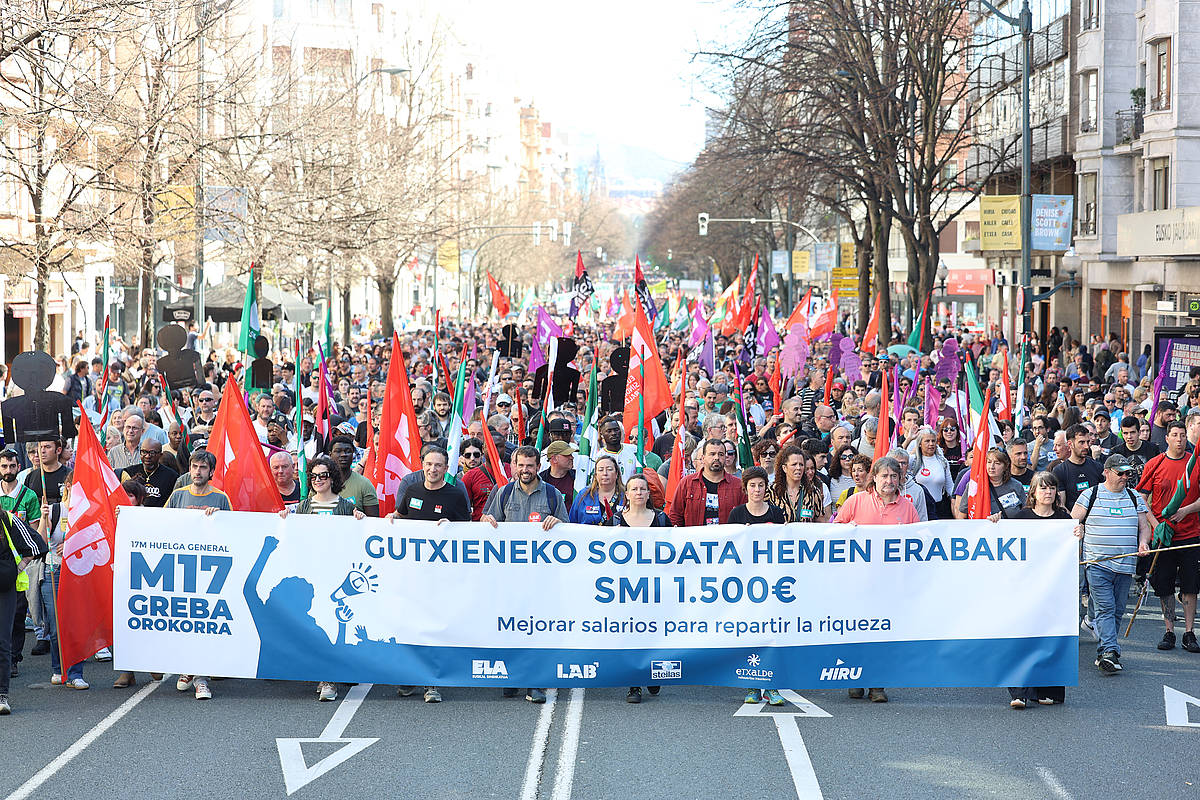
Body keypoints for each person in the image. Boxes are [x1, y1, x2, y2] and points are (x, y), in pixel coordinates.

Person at [481, 446, 567, 705]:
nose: (525, 470)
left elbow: (568, 530)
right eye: (521, 465)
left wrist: (558, 524)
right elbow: (487, 522)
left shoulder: (553, 495)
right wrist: (486, 522)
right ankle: (512, 676)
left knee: (537, 629)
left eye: (530, 465)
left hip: (541, 577)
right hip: (509, 576)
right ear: (513, 466)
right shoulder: (504, 492)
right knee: (509, 626)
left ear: (538, 466)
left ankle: (535, 682)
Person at [834, 456, 919, 703]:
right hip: (858, 582)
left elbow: (920, 542)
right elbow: (833, 532)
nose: (889, 481)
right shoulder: (856, 501)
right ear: (874, 478)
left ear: (899, 479)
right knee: (856, 631)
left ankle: (877, 684)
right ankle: (855, 678)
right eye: (884, 476)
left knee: (882, 633)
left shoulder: (907, 508)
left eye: (893, 476)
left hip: (890, 585)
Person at [278, 455, 362, 702]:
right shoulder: (304, 506)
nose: (318, 480)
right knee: (315, 627)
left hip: (336, 576)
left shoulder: (346, 506)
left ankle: (329, 678)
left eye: (323, 475)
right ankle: (322, 673)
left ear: (332, 477)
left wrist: (360, 521)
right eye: (313, 476)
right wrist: (285, 519)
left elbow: (357, 538)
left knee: (330, 625)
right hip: (311, 576)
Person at [1073, 455, 1152, 674]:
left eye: (1128, 473)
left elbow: (1143, 527)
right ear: (1106, 472)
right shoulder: (1091, 494)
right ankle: (1109, 651)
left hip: (1126, 564)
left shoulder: (1134, 496)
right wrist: (1078, 531)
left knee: (1117, 610)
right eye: (1121, 473)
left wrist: (1143, 543)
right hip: (1097, 563)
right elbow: (1072, 521)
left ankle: (1106, 651)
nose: (1126, 477)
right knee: (1106, 607)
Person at [1004, 472, 1074, 708]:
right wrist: (993, 523)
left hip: (1054, 589)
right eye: (1043, 488)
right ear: (1033, 492)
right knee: (1022, 639)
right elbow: (1003, 541)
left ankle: (1044, 689)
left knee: (1049, 639)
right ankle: (1019, 692)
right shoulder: (1021, 517)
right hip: (1025, 587)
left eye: (1052, 488)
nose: (1048, 492)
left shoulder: (1064, 519)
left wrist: (1078, 535)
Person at [1134, 420, 1200, 653]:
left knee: (1190, 585)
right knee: (1164, 584)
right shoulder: (1155, 463)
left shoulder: (1196, 463)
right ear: (1167, 438)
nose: (1180, 439)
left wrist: (1186, 510)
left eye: (1183, 435)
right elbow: (1141, 498)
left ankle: (1190, 632)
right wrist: (1155, 525)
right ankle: (1169, 630)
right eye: (1175, 435)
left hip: (1191, 534)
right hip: (1164, 537)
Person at [613, 472, 670, 704]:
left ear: (649, 494)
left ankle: (652, 673)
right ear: (626, 494)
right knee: (631, 634)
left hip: (656, 587)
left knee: (653, 632)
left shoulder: (662, 518)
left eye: (642, 489)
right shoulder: (616, 521)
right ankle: (633, 684)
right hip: (626, 588)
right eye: (634, 489)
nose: (638, 493)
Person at [35, 472, 88, 690]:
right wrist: (43, 518)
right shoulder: (56, 509)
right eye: (77, 486)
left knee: (75, 624)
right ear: (67, 486)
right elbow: (40, 542)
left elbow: (94, 541)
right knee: (56, 626)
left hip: (78, 573)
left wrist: (71, 546)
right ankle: (59, 668)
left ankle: (76, 672)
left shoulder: (86, 512)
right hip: (53, 570)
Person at [0, 504, 47, 714]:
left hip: (4, 590)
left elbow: (37, 545)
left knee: (2, 641)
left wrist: (17, 568)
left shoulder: (8, 520)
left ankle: (2, 696)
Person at [668, 439, 747, 527]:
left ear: (725, 458)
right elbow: (675, 515)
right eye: (712, 454)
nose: (717, 458)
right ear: (703, 458)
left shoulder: (738, 485)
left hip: (727, 540)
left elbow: (745, 516)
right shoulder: (687, 483)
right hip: (695, 539)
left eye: (721, 454)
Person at [1052, 424, 1104, 510]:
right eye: (1081, 442)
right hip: (1072, 519)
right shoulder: (1059, 471)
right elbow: (1061, 505)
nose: (1086, 446)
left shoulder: (1097, 466)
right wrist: (1074, 520)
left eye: (1087, 442)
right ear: (1070, 444)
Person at [120, 439, 179, 508]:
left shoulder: (171, 476)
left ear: (160, 455)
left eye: (152, 452)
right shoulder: (129, 472)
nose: (147, 456)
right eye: (144, 452)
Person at [330, 435, 379, 516]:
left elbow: (373, 521)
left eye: (348, 451)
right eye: (338, 451)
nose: (343, 455)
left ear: (353, 454)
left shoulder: (364, 484)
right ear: (330, 455)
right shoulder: (321, 482)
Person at [911, 427, 954, 517]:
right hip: (920, 509)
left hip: (940, 508)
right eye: (927, 441)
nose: (931, 444)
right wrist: (908, 439)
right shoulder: (913, 461)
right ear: (920, 444)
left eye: (933, 441)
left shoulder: (943, 462)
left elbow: (950, 487)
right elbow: (895, 458)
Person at [570, 455, 624, 525]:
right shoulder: (584, 495)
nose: (605, 473)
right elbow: (572, 522)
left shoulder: (627, 495)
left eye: (609, 469)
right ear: (595, 475)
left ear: (616, 474)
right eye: (601, 470)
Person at [539, 440, 578, 506]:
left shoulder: (578, 477)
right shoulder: (540, 480)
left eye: (571, 455)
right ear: (554, 459)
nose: (572, 457)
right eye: (567, 455)